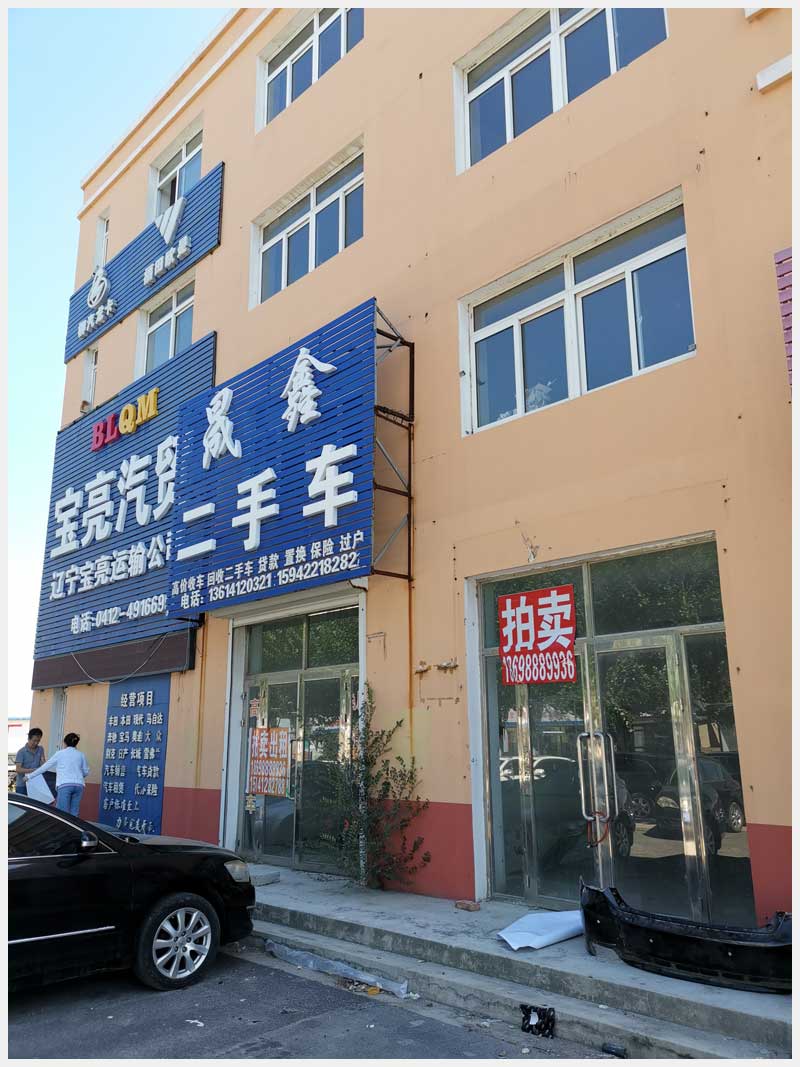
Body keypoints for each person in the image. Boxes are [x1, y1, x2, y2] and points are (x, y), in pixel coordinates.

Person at [26, 733, 89, 816]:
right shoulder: (81, 754)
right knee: (74, 812)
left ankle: (62, 825)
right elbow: (86, 771)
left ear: (64, 742)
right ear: (76, 743)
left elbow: (45, 767)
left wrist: (29, 776)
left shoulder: (60, 753)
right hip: (79, 785)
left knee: (62, 813)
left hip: (64, 785)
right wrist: (79, 776)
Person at [14, 728, 45, 795]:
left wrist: (43, 764)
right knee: (21, 802)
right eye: (34, 741)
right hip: (22, 785)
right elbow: (18, 769)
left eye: (38, 741)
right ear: (28, 739)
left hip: (35, 783)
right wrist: (33, 770)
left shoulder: (40, 749)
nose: (36, 743)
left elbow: (43, 763)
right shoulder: (21, 752)